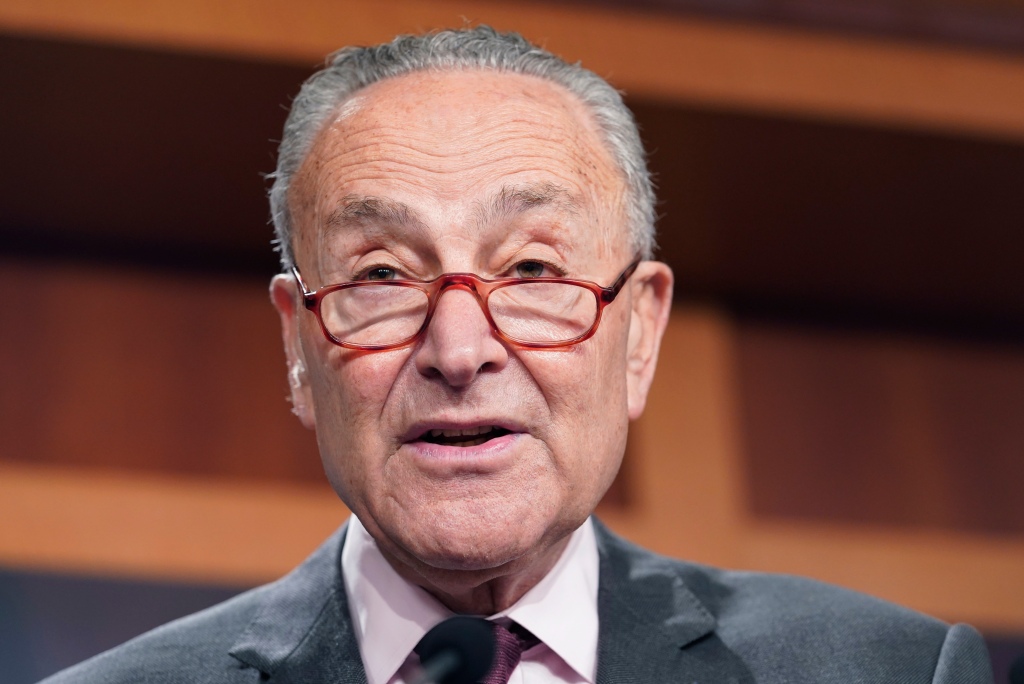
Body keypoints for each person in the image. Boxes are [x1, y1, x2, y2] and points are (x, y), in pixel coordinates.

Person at [42, 26, 993, 684]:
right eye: (381, 275)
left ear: (640, 335)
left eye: (532, 266)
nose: (459, 349)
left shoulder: (888, 669)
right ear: (299, 344)